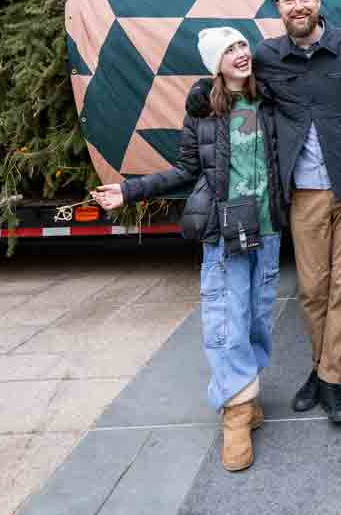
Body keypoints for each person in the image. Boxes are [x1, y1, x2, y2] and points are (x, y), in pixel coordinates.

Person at [91, 27, 287, 473]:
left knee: (257, 313)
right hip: (224, 229)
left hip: (268, 226)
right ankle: (236, 411)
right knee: (226, 316)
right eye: (229, 51)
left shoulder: (269, 100)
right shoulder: (204, 108)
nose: (239, 54)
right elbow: (185, 170)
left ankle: (246, 392)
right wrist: (130, 191)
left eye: (242, 46)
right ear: (214, 63)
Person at [254, 0, 341, 424]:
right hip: (303, 190)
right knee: (312, 289)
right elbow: (242, 95)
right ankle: (322, 369)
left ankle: (331, 379)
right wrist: (198, 99)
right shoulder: (266, 56)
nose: (297, 5)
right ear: (279, 10)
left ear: (319, 1)